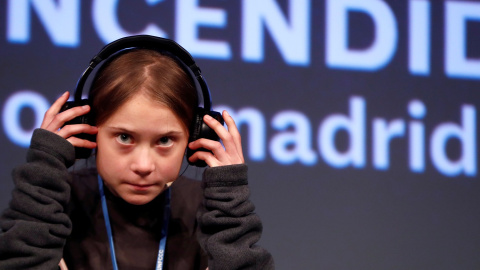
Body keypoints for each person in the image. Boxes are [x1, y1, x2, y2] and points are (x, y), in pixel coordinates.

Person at [0, 36, 274, 269]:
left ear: (194, 138)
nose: (143, 165)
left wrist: (230, 198)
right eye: (124, 137)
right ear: (88, 129)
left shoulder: (211, 211)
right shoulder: (54, 202)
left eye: (165, 140)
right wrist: (44, 171)